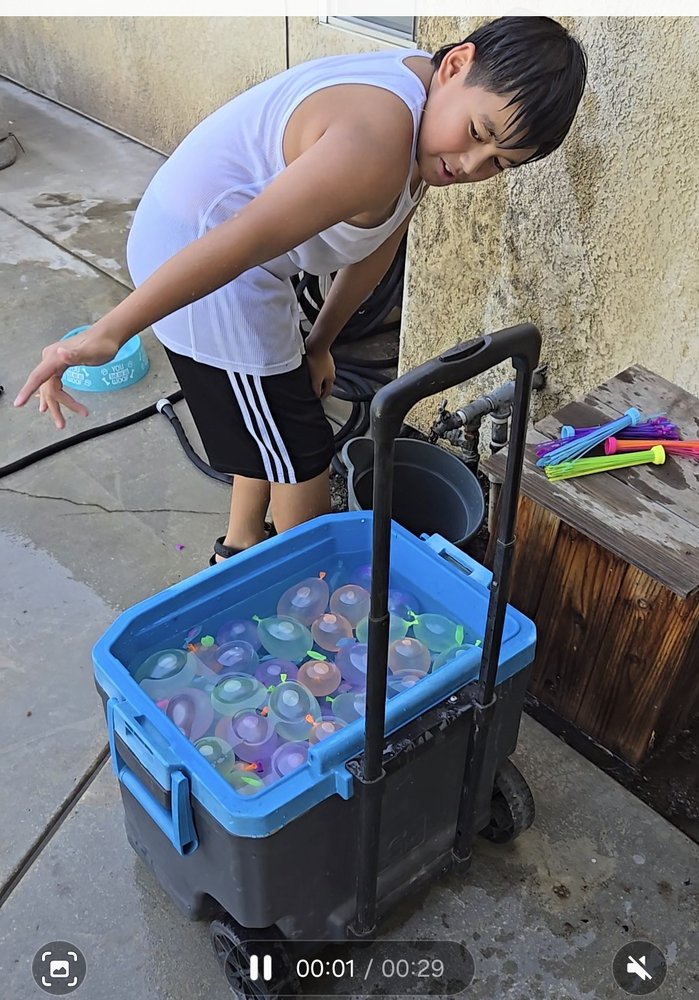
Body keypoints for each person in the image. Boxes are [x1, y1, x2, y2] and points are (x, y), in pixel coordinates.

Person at [15, 16, 587, 565]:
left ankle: (239, 546)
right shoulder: (377, 139)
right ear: (457, 63)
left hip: (238, 256)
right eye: (478, 134)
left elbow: (381, 238)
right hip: (200, 255)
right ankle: (308, 590)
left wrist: (321, 344)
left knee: (268, 417)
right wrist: (111, 330)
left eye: (498, 163)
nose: (470, 164)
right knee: (301, 457)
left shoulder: (427, 107)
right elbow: (242, 241)